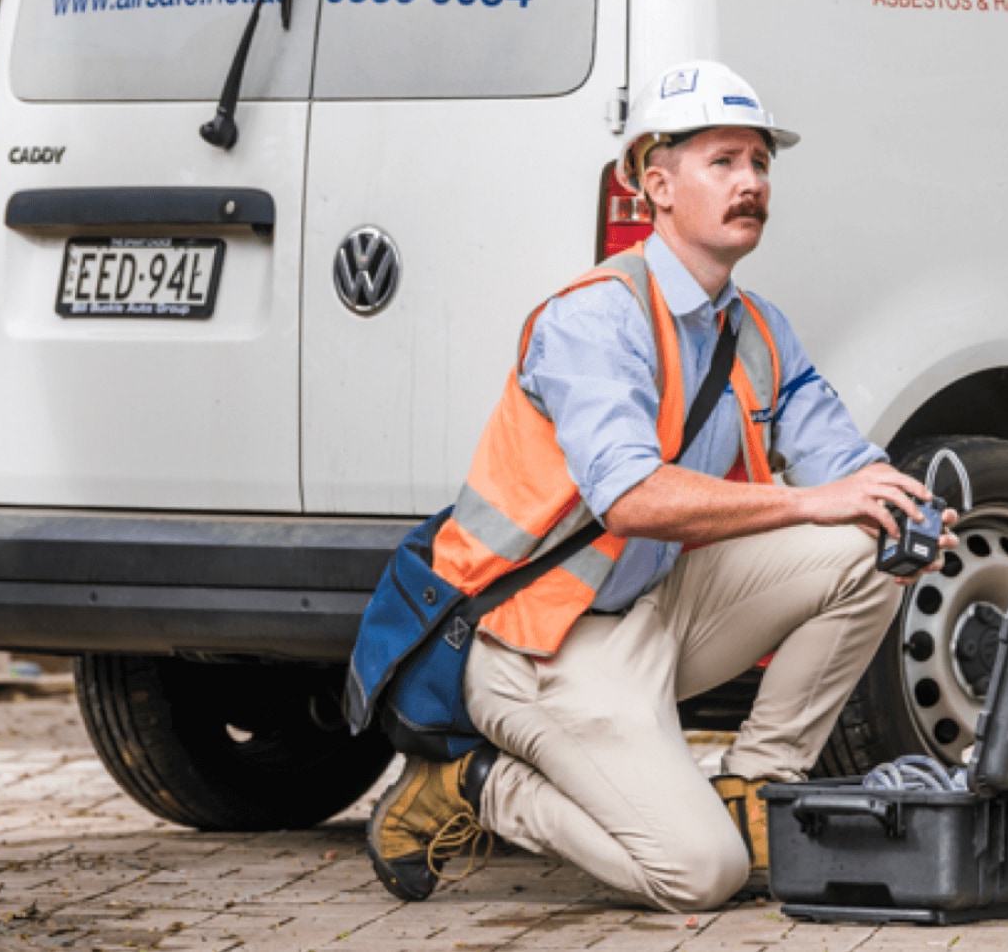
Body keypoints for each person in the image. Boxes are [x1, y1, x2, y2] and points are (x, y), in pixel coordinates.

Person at [365, 60, 959, 912]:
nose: (751, 182)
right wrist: (804, 503)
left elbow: (843, 464)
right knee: (698, 876)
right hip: (539, 644)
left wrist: (909, 511)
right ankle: (474, 788)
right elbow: (631, 499)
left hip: (655, 610)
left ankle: (756, 788)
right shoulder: (595, 317)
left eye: (760, 163)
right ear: (658, 184)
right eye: (723, 161)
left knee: (872, 544)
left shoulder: (757, 329)